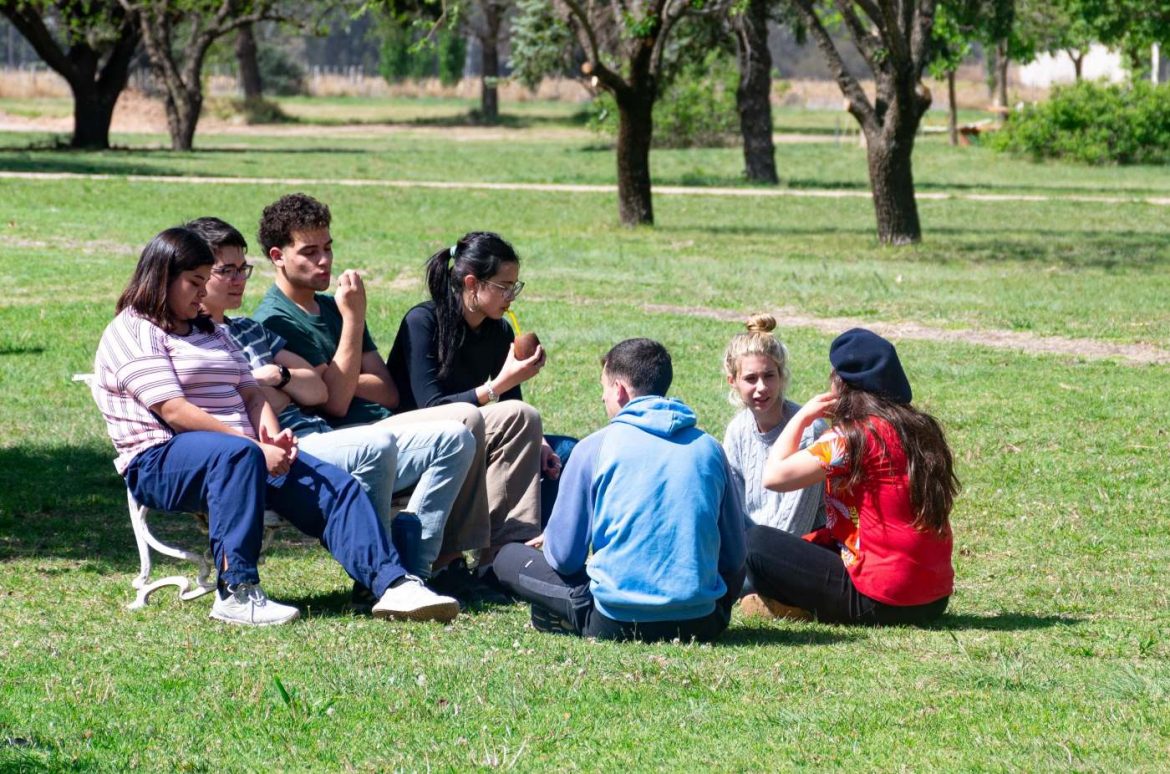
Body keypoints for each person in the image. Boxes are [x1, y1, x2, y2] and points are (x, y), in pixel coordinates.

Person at [91, 227, 459, 625]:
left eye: (203, 282)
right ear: (161, 277)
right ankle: (237, 593)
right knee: (236, 456)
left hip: (240, 456)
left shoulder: (211, 330)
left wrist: (269, 438)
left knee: (336, 487)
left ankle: (393, 585)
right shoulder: (134, 330)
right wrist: (250, 446)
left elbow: (250, 393)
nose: (202, 293)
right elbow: (173, 409)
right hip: (161, 459)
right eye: (194, 282)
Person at [186, 216, 475, 585]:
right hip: (293, 450)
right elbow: (243, 400)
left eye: (243, 268)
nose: (239, 279)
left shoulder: (248, 330)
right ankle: (379, 577)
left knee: (455, 439)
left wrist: (277, 377)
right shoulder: (198, 339)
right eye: (226, 270)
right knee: (379, 442)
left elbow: (317, 390)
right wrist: (265, 388)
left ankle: (415, 570)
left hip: (322, 436)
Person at [249, 194, 500, 602]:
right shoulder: (275, 319)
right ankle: (433, 564)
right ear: (278, 256)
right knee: (464, 418)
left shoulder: (332, 306)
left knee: (462, 432)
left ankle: (418, 569)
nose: (324, 261)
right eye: (309, 252)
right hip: (347, 436)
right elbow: (335, 404)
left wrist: (337, 374)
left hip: (378, 423)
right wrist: (352, 324)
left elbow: (386, 389)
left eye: (328, 247)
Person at [493, 339, 747, 643]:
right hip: (703, 622)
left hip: (615, 621)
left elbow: (564, 559)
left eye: (604, 389)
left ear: (619, 389)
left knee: (506, 556)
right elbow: (734, 556)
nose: (603, 398)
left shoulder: (594, 448)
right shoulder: (709, 448)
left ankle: (564, 614)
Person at [746, 328, 959, 626]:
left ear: (841, 384)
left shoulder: (851, 438)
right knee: (812, 541)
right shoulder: (921, 428)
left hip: (881, 600)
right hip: (934, 599)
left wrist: (802, 416)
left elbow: (774, 476)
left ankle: (794, 606)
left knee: (754, 543)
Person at [386, 231, 568, 550]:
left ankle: (524, 551)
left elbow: (512, 404)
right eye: (503, 286)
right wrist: (495, 386)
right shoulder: (422, 322)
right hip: (418, 441)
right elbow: (430, 405)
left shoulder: (498, 330)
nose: (511, 295)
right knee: (507, 417)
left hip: (476, 433)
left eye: (515, 286)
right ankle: (499, 553)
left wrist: (536, 442)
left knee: (564, 452)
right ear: (471, 283)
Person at [722, 314, 824, 536]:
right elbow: (733, 510)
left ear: (780, 376)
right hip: (752, 548)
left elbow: (797, 525)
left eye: (769, 376)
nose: (761, 388)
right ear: (733, 381)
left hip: (801, 550)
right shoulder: (737, 431)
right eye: (750, 378)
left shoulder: (810, 431)